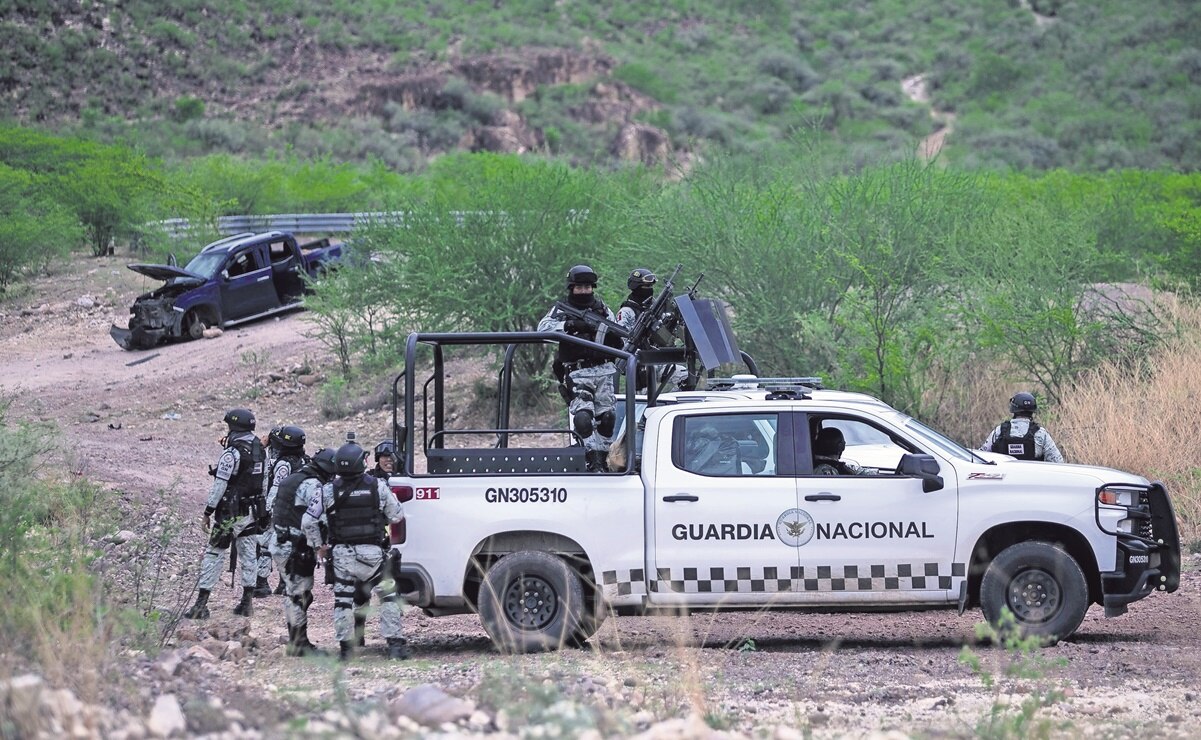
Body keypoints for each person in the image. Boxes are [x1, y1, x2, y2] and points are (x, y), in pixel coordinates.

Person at [301, 442, 407, 661]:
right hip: (374, 556)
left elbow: (308, 522)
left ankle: (346, 650)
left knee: (343, 601)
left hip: (342, 556)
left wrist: (318, 546)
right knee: (389, 597)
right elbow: (396, 515)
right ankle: (395, 647)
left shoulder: (327, 489)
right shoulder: (377, 486)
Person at [537, 264, 623, 471]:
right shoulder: (561, 309)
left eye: (587, 287)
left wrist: (613, 339)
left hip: (604, 371)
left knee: (608, 418)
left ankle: (602, 459)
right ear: (572, 288)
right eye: (579, 287)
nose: (584, 291)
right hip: (577, 372)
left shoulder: (602, 308)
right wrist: (570, 325)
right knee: (583, 419)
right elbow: (542, 329)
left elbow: (616, 331)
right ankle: (590, 457)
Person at [183, 408, 267, 619]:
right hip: (251, 511)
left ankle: (201, 605)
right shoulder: (260, 449)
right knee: (249, 555)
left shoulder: (232, 453)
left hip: (230, 512)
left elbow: (220, 484)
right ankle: (246, 603)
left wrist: (208, 511)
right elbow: (264, 482)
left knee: (214, 553)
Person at [269, 447, 337, 656]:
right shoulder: (312, 484)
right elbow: (313, 520)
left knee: (295, 593)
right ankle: (299, 644)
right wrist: (320, 546)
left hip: (282, 542)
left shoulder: (294, 478)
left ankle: (296, 641)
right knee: (299, 594)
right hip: (294, 548)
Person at [614, 267, 692, 392]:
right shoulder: (627, 312)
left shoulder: (654, 307)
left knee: (686, 378)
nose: (649, 290)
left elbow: (666, 333)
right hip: (639, 364)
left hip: (657, 358)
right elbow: (623, 340)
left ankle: (668, 407)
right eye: (645, 287)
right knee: (644, 401)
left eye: (650, 286)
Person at [259, 425, 308, 597]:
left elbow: (276, 487)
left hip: (281, 509)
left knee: (264, 543)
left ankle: (261, 583)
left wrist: (265, 511)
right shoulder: (304, 462)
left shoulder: (283, 464)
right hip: (298, 511)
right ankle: (284, 583)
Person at [980, 391, 1064, 462]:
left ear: (1013, 408)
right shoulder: (1041, 433)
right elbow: (1058, 461)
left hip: (1004, 480)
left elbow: (981, 456)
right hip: (1032, 480)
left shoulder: (999, 431)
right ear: (1033, 410)